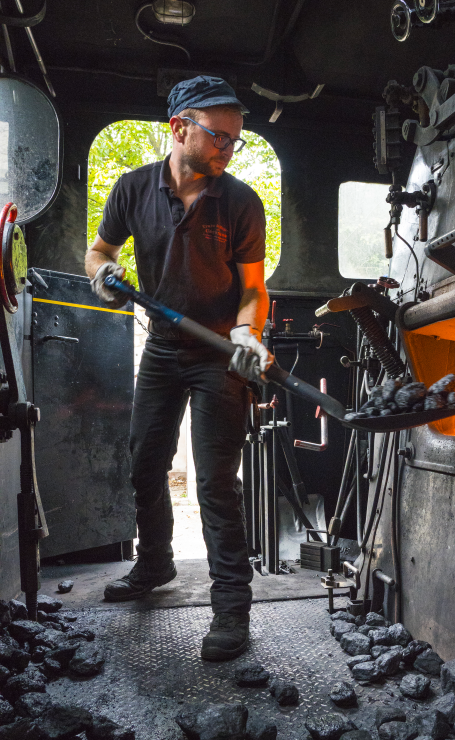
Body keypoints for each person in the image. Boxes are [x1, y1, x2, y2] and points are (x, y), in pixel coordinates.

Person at [84, 76, 273, 661]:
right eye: (219, 136)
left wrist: (248, 331)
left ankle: (232, 610)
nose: (227, 148)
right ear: (179, 128)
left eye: (235, 140)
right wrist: (102, 276)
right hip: (163, 349)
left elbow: (254, 289)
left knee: (216, 483)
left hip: (220, 353)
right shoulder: (133, 189)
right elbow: (100, 250)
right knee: (145, 463)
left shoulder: (241, 201)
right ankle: (156, 564)